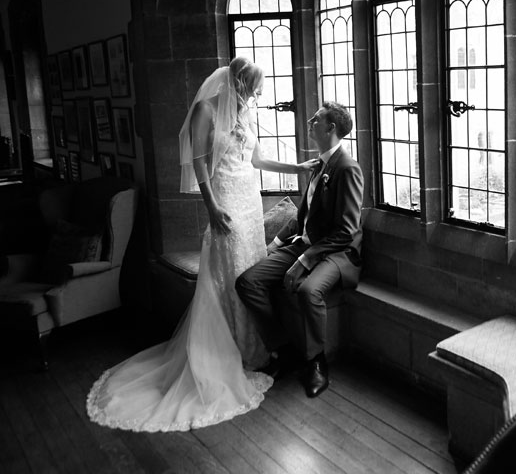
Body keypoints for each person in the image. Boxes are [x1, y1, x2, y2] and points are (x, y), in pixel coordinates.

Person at [86, 57, 317, 431]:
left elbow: (257, 160)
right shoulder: (205, 110)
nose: (257, 96)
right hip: (225, 202)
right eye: (254, 89)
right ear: (238, 82)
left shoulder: (244, 113)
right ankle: (231, 351)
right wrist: (212, 207)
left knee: (249, 273)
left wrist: (297, 169)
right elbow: (198, 164)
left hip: (249, 202)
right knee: (229, 274)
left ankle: (255, 347)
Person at [237, 101, 363, 398]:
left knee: (308, 291)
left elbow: (346, 231)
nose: (309, 121)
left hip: (337, 253)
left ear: (331, 128)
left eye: (316, 119)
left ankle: (317, 362)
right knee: (247, 282)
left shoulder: (347, 168)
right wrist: (274, 245)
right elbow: (302, 216)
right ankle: (284, 351)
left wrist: (305, 260)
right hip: (304, 244)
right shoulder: (318, 165)